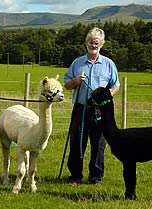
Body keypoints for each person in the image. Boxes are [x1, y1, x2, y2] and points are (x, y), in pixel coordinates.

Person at [64, 27, 120, 186]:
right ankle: (75, 176)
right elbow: (67, 84)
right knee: (77, 143)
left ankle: (95, 177)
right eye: (90, 42)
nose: (93, 45)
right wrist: (75, 81)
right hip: (80, 109)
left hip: (100, 111)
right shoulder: (77, 63)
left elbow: (116, 85)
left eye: (96, 43)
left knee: (99, 144)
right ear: (86, 43)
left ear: (101, 44)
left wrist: (107, 95)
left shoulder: (109, 64)